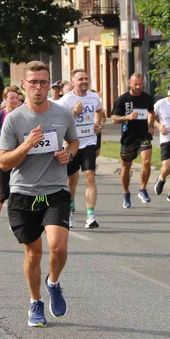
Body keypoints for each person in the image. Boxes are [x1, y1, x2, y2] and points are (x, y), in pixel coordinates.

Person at [0, 61, 79, 328]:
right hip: (24, 193)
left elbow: (74, 140)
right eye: (33, 82)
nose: (39, 87)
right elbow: (4, 162)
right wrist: (27, 145)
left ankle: (53, 282)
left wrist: (70, 153)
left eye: (43, 82)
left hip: (55, 190)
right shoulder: (14, 119)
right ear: (24, 85)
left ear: (49, 84)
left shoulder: (63, 114)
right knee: (33, 254)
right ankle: (35, 302)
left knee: (59, 247)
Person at [58, 69, 104, 228]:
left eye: (86, 78)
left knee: (90, 176)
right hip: (71, 144)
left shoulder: (94, 97)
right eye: (80, 79)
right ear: (73, 82)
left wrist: (98, 125)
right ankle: (69, 211)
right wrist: (74, 112)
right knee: (71, 180)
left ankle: (90, 215)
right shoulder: (66, 100)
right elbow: (61, 122)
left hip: (89, 142)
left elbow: (99, 111)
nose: (84, 81)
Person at [111, 73, 156, 209]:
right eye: (135, 84)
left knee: (146, 162)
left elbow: (151, 112)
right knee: (126, 167)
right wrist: (128, 117)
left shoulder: (147, 98)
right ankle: (126, 193)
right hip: (128, 138)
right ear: (130, 84)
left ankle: (142, 189)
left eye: (140, 84)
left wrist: (151, 125)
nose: (138, 87)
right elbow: (114, 119)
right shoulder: (123, 99)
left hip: (143, 136)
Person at [0, 85, 24, 216]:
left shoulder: (22, 114)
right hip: (2, 155)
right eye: (11, 98)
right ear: (5, 99)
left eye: (16, 98)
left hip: (18, 155)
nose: (14, 100)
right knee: (5, 191)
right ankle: (0, 197)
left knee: (17, 189)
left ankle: (15, 217)